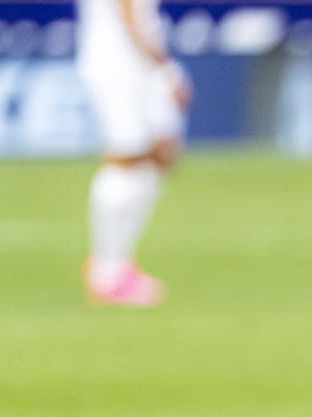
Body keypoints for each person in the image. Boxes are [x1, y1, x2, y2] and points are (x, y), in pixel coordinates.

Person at [77, 0, 189, 306]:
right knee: (125, 157)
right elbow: (128, 14)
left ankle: (120, 262)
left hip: (138, 61)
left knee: (160, 157)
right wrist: (164, 67)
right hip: (119, 62)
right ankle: (106, 270)